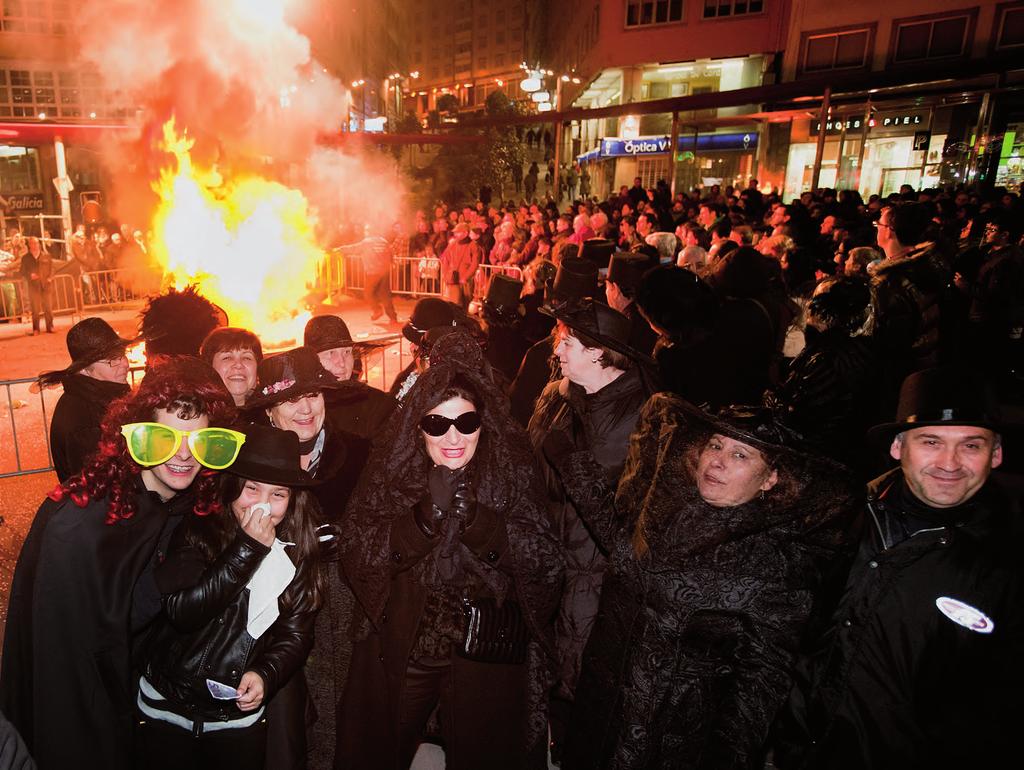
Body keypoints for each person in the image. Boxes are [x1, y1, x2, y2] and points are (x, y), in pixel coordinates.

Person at [541, 397, 857, 769]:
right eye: (716, 445)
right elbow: (616, 538)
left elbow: (758, 690)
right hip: (600, 719)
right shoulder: (666, 514)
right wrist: (569, 460)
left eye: (741, 456)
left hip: (668, 748)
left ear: (771, 479)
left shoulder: (774, 565)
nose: (719, 461)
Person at [774, 366, 1022, 769]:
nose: (950, 462)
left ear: (996, 454)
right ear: (897, 447)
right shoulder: (839, 516)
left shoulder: (1007, 564)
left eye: (971, 446)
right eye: (930, 442)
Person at [337, 330, 563, 770]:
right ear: (419, 428)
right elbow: (357, 550)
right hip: (408, 642)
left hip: (486, 649)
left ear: (483, 423)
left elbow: (548, 564)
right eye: (437, 424)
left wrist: (484, 525)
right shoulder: (394, 469)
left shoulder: (512, 469)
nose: (453, 436)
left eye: (466, 422)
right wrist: (422, 519)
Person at [0, 357, 238, 770]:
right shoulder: (82, 522)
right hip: (82, 707)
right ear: (137, 438)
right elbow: (78, 648)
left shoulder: (177, 504)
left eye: (198, 441)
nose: (184, 455)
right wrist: (157, 588)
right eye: (166, 438)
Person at [136, 424, 322, 768]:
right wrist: (246, 550)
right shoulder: (197, 530)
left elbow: (297, 634)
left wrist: (267, 673)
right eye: (252, 489)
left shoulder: (299, 550)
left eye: (278, 495)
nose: (263, 506)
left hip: (233, 721)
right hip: (166, 704)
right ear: (234, 488)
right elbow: (183, 612)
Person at [527, 298, 653, 760]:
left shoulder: (641, 416)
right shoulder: (556, 394)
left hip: (595, 569)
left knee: (582, 675)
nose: (558, 349)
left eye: (569, 342)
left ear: (600, 352)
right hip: (548, 554)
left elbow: (630, 511)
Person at [245, 347, 372, 767]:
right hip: (275, 612)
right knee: (288, 720)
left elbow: (384, 527)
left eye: (313, 394)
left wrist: (348, 538)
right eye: (289, 399)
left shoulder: (358, 454)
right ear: (268, 411)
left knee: (344, 708)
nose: (305, 408)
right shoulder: (246, 464)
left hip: (343, 605)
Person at [38, 317, 135, 482]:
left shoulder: (103, 397)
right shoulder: (82, 421)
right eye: (112, 360)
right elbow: (99, 485)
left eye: (122, 355)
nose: (125, 364)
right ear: (84, 370)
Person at [303, 314, 396, 440]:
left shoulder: (377, 406)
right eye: (331, 353)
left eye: (347, 352)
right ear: (311, 360)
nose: (342, 362)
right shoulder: (300, 407)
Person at [200, 326, 263, 407]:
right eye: (227, 358)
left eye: (247, 358)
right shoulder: (192, 415)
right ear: (209, 367)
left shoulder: (276, 415)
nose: (238, 365)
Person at [440, 223, 482, 308]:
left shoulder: (473, 245)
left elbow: (474, 264)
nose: (455, 234)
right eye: (455, 232)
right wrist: (445, 274)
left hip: (464, 281)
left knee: (463, 305)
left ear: (466, 233)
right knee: (451, 305)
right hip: (452, 279)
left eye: (458, 232)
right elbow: (444, 258)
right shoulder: (452, 244)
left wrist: (466, 277)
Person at [20, 236, 53, 334]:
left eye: (36, 243)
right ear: (29, 245)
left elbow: (52, 268)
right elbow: (22, 271)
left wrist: (50, 277)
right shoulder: (25, 258)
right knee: (35, 309)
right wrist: (30, 275)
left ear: (39, 244)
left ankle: (50, 327)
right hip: (33, 286)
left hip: (46, 286)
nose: (34, 245)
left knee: (48, 308)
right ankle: (36, 329)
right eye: (32, 243)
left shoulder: (46, 256)